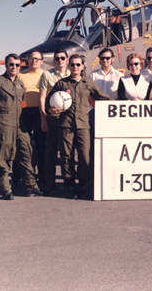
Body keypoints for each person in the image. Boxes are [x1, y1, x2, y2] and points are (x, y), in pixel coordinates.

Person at [48, 54, 111, 199]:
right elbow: (48, 101)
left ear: (83, 66)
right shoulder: (62, 84)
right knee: (66, 156)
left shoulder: (88, 83)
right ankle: (70, 185)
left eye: (78, 64)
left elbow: (102, 96)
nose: (75, 67)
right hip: (66, 125)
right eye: (72, 65)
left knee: (84, 157)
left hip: (83, 126)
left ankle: (82, 185)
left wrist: (121, 103)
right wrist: (50, 110)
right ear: (69, 66)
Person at [0, 53, 41, 200]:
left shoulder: (19, 84)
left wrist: (25, 110)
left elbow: (22, 101)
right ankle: (4, 189)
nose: (14, 67)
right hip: (5, 123)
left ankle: (30, 186)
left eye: (17, 65)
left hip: (19, 123)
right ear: (6, 65)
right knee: (4, 155)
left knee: (27, 152)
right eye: (11, 64)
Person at [38, 48, 71, 194]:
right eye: (57, 58)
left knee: (67, 153)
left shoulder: (72, 74)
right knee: (50, 153)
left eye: (62, 58)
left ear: (67, 60)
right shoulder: (47, 75)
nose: (60, 61)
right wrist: (44, 118)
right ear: (54, 61)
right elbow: (42, 98)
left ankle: (68, 183)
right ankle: (50, 184)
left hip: (68, 120)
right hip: (52, 118)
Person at [16, 49, 46, 184]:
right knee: (22, 146)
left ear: (42, 62)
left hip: (42, 113)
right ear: (27, 61)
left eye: (37, 59)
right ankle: (17, 178)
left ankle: (43, 178)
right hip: (26, 113)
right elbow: (19, 96)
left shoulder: (46, 75)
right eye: (31, 58)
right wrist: (23, 106)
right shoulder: (20, 76)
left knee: (42, 147)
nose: (34, 61)